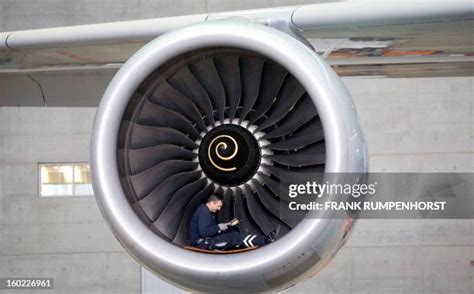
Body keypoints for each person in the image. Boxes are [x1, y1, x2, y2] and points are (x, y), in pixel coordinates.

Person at [189, 195, 269, 250]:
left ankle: (246, 242)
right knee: (233, 237)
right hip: (201, 243)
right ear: (212, 203)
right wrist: (219, 227)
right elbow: (204, 232)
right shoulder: (204, 212)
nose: (219, 209)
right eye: (218, 206)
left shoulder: (208, 211)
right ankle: (262, 241)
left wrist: (223, 227)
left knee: (231, 230)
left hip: (206, 239)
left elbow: (209, 228)